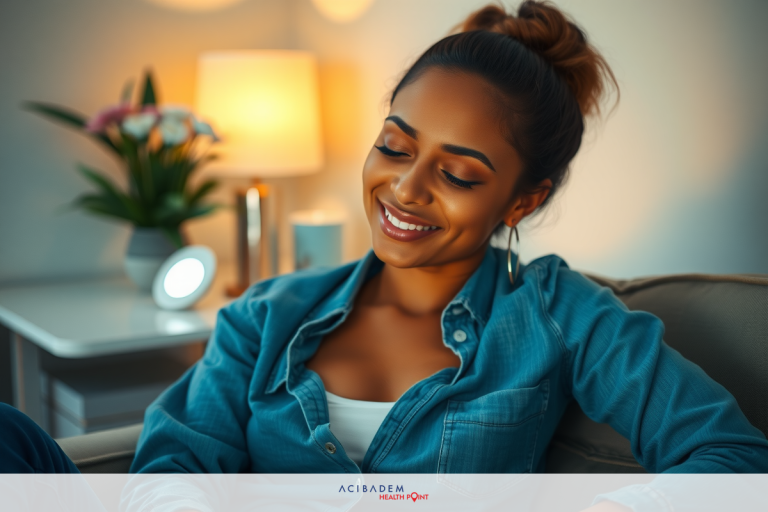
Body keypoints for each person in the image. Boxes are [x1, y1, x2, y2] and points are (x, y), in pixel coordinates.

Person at [2, 1, 767, 510]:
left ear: (523, 201)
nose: (405, 189)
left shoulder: (563, 316)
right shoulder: (266, 316)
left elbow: (734, 460)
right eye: (394, 146)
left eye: (460, 174)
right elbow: (173, 466)